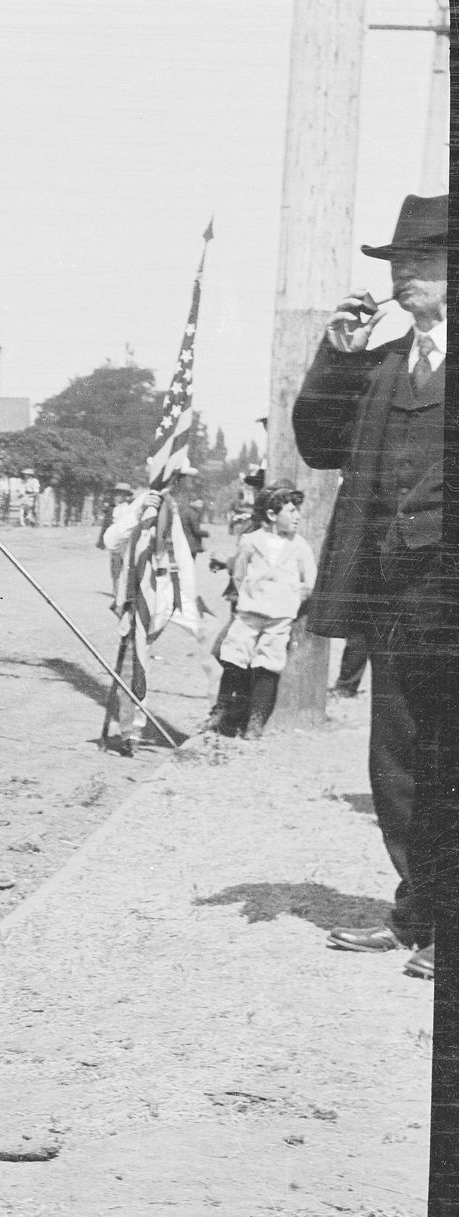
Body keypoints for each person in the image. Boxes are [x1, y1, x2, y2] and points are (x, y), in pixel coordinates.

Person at [299, 192, 451, 982]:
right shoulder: (384, 363)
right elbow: (320, 445)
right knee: (397, 761)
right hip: (393, 599)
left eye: (422, 259)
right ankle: (417, 915)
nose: (404, 274)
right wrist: (337, 357)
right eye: (398, 262)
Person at [205, 485, 315, 739]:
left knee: (268, 665)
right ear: (272, 515)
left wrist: (289, 600)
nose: (297, 516)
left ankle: (256, 721)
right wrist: (251, 596)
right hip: (249, 614)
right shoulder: (251, 541)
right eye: (291, 511)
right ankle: (222, 709)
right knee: (233, 657)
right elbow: (239, 574)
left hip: (279, 619)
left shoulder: (299, 546)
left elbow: (309, 582)